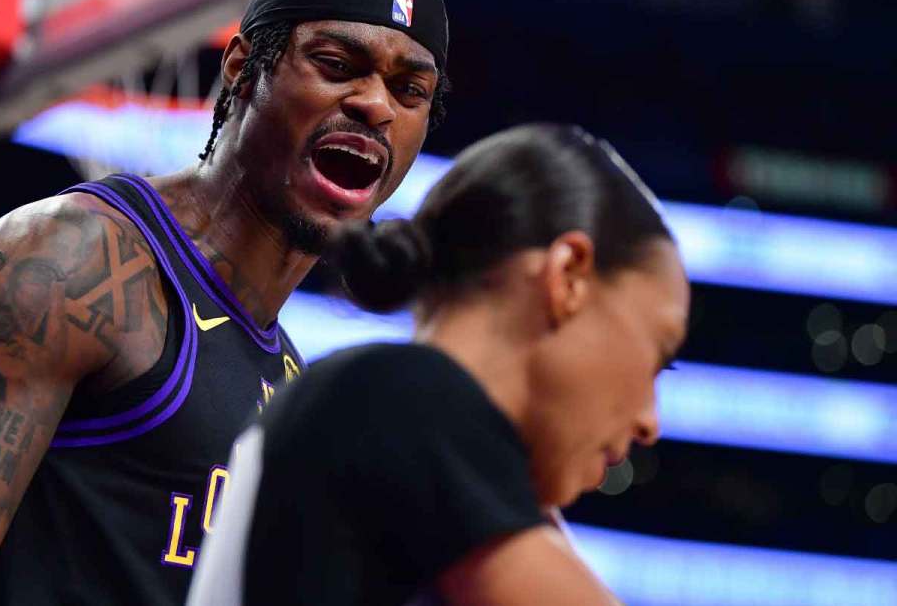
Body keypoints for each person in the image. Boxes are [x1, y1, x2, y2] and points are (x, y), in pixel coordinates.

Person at [0, 0, 450, 606]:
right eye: (335, 63)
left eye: (409, 89)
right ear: (241, 68)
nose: (375, 105)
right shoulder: (74, 258)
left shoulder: (289, 385)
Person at [186, 123, 690, 606]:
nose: (650, 421)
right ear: (570, 277)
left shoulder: (385, 403)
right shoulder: (410, 399)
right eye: (657, 357)